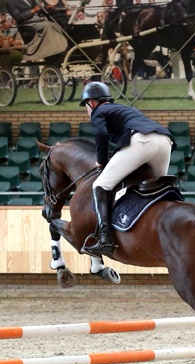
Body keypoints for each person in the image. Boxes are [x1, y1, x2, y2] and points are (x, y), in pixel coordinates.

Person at [79, 82, 175, 257]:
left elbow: (100, 134)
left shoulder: (98, 112)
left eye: (85, 106)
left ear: (91, 102)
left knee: (100, 185)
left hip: (142, 141)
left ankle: (106, 240)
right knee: (159, 187)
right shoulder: (123, 109)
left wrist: (101, 161)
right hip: (165, 141)